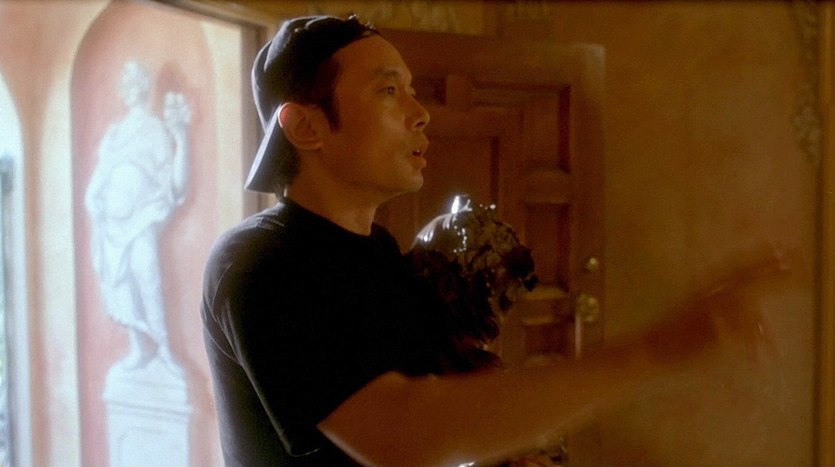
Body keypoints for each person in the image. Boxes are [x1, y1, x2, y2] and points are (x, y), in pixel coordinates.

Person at [201, 15, 783, 467]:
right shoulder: (259, 263)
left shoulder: (376, 250)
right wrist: (654, 350)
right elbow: (403, 432)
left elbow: (458, 406)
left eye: (411, 89)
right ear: (306, 126)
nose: (420, 114)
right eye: (388, 91)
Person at [87, 61, 190, 376]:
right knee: (122, 282)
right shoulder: (115, 134)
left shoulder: (156, 129)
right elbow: (100, 177)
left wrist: (182, 138)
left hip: (144, 215)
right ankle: (138, 347)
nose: (131, 88)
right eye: (126, 83)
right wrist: (93, 199)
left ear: (145, 87)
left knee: (147, 274)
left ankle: (163, 347)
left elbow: (176, 185)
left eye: (136, 82)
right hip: (113, 220)